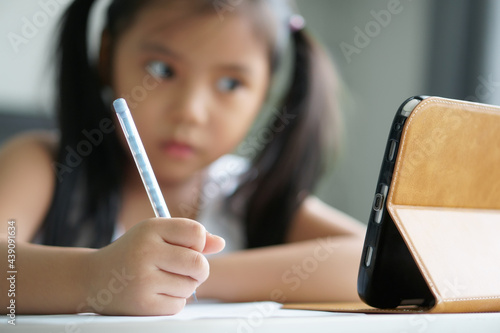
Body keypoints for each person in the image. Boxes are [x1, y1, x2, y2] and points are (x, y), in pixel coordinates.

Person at [0, 0, 365, 316]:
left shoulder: (244, 194)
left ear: (265, 91)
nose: (190, 111)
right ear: (108, 55)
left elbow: (373, 260)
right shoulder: (46, 165)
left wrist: (190, 275)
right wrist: (96, 277)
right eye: (162, 70)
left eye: (230, 84)